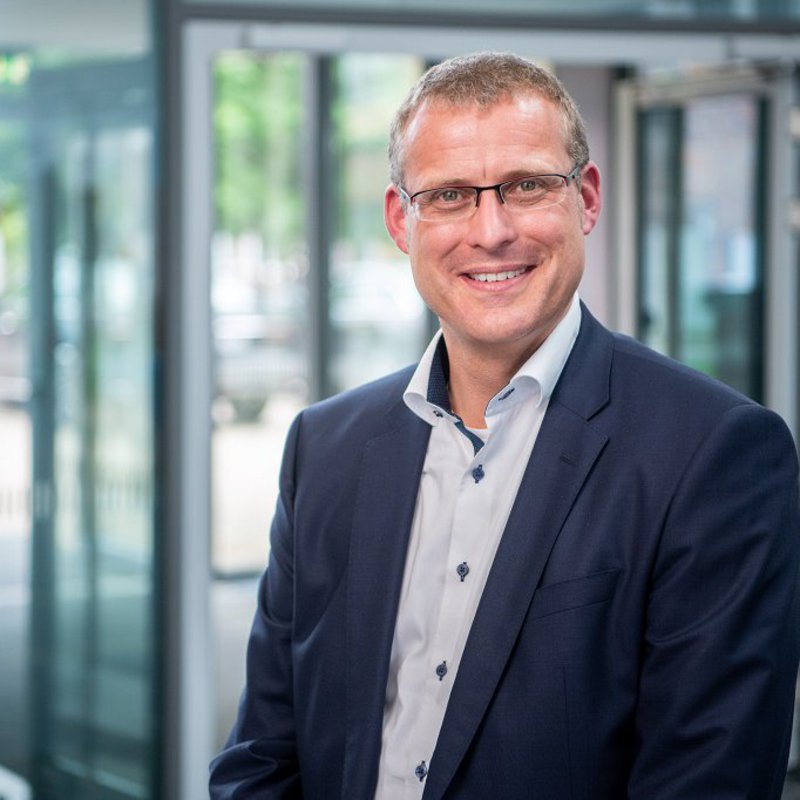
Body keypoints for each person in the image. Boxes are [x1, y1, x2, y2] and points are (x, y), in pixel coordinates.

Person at [209, 52, 800, 799]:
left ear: (586, 198)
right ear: (402, 220)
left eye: (526, 186)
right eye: (450, 195)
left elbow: (709, 783)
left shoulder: (713, 454)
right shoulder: (324, 449)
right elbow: (261, 758)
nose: (490, 232)